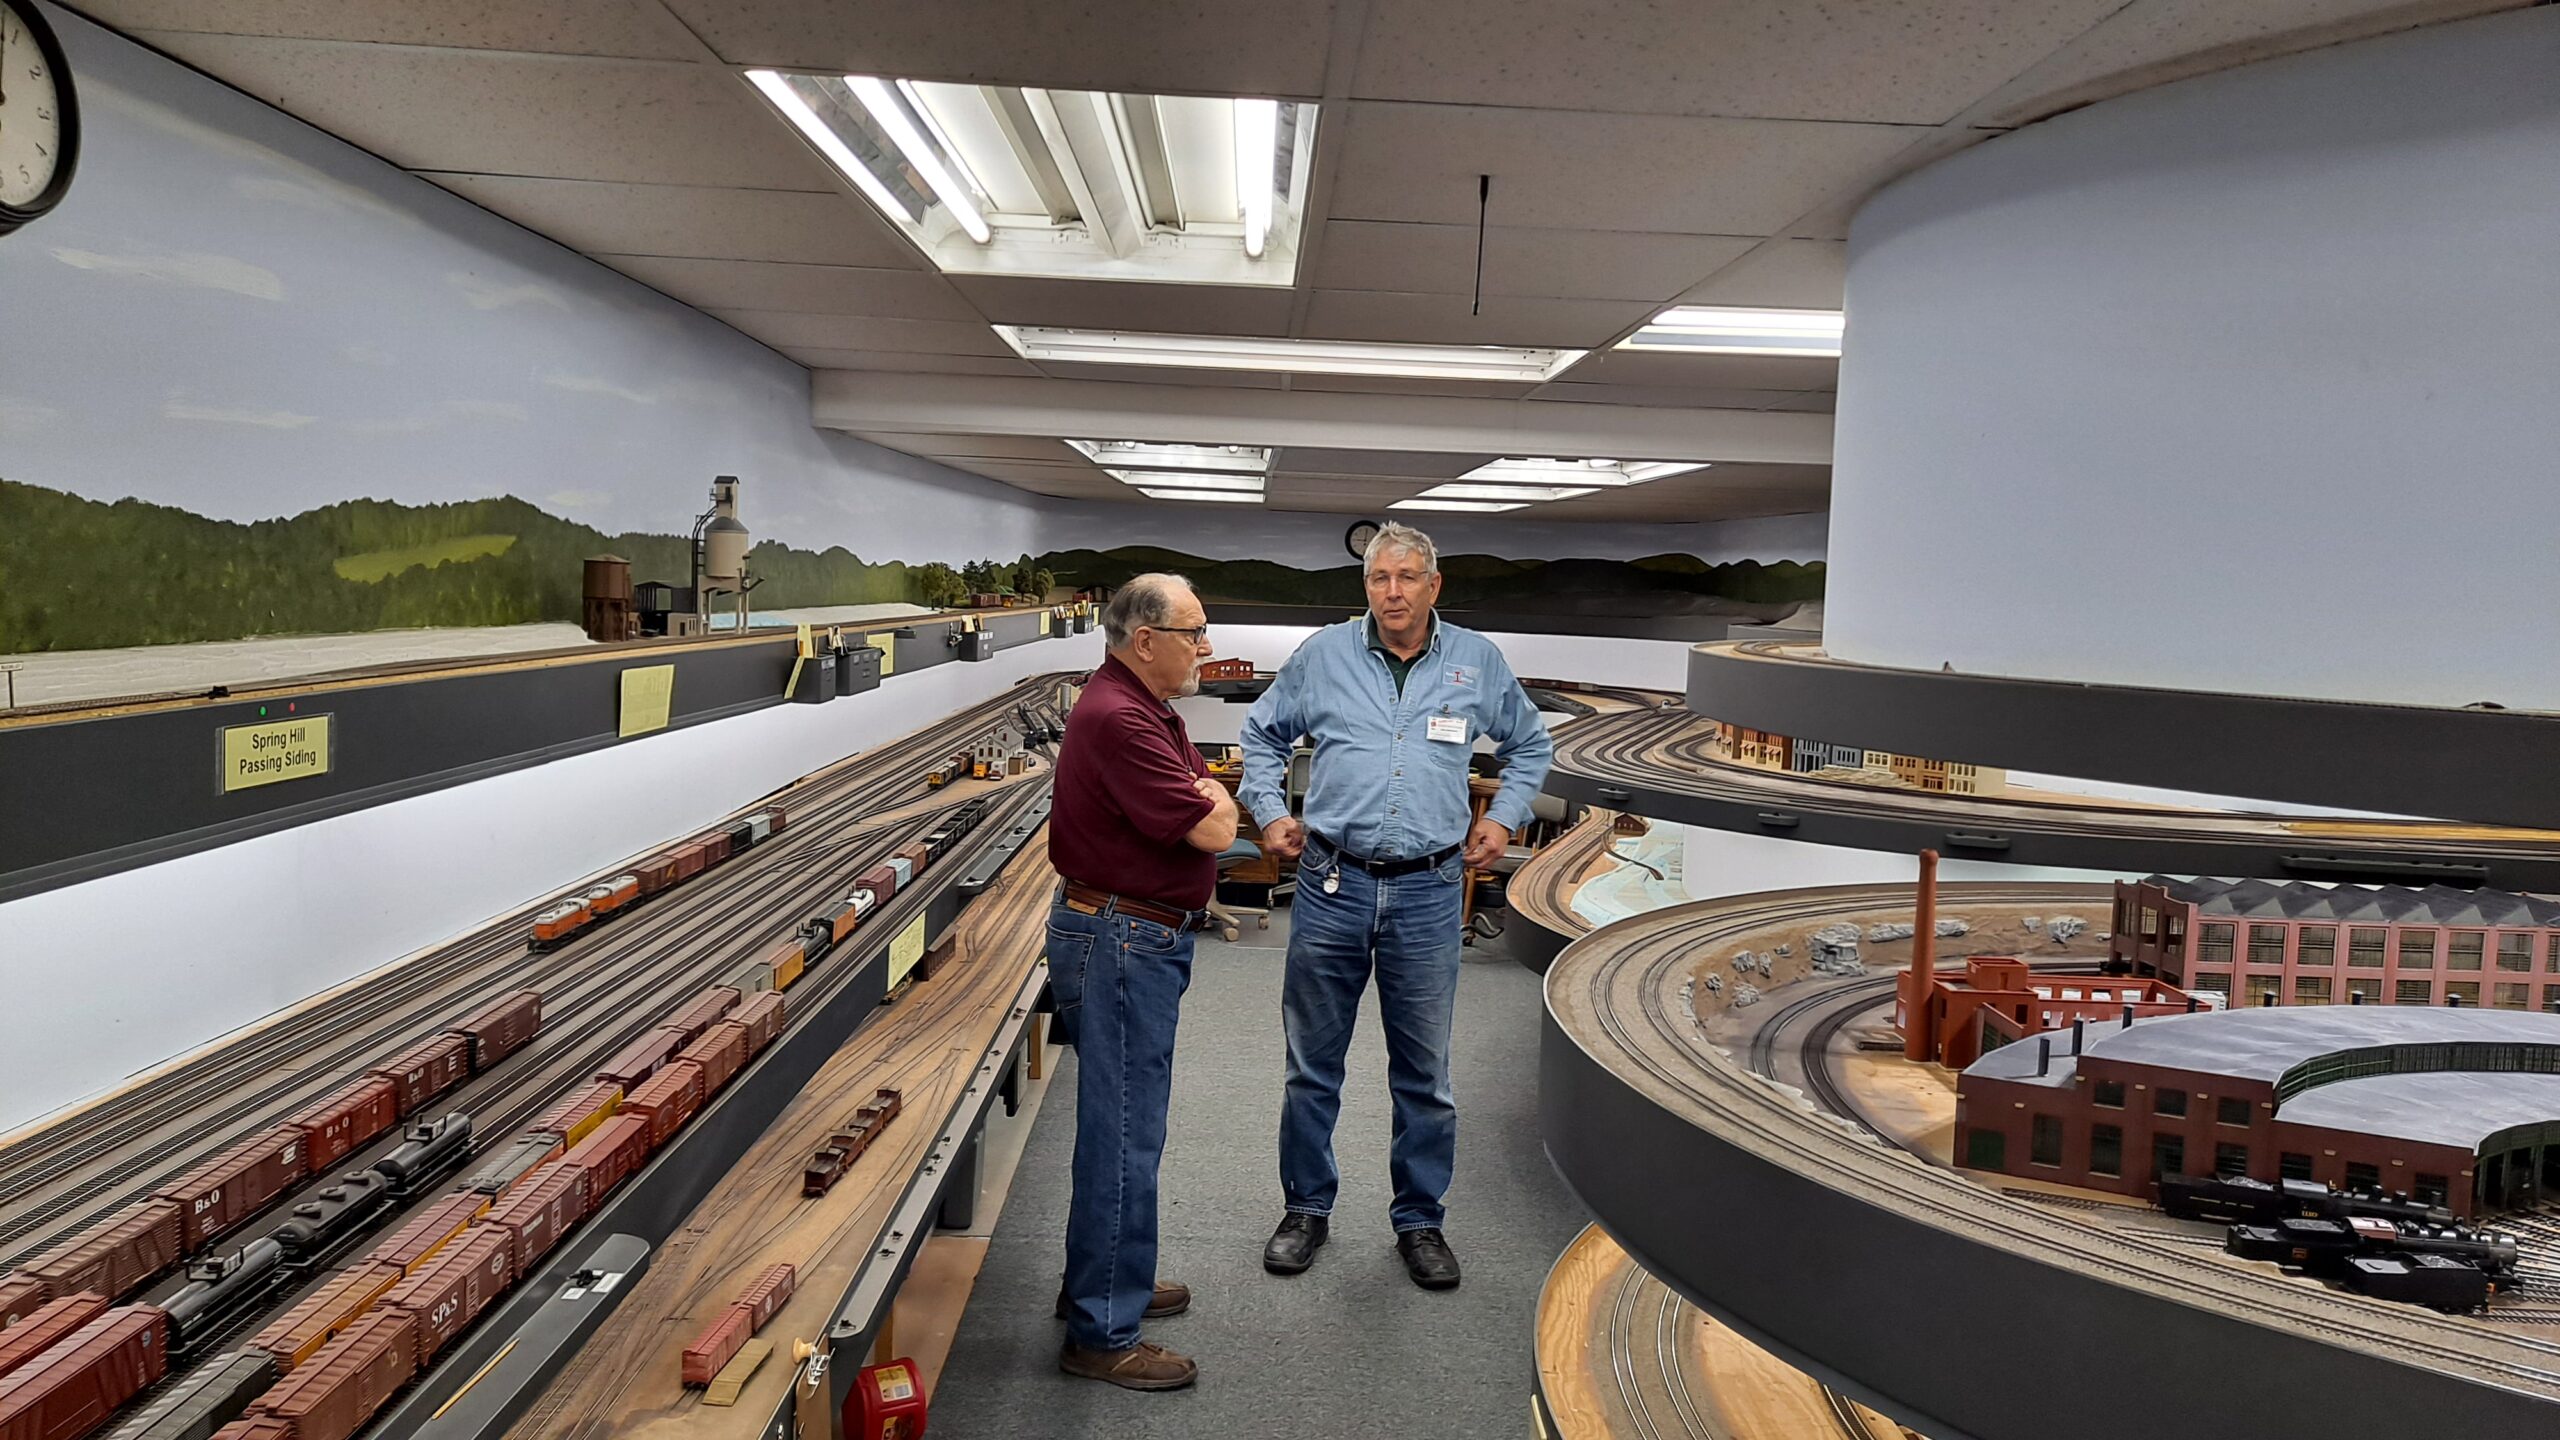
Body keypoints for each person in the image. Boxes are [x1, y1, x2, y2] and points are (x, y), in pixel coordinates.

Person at [1238, 522, 1554, 1290]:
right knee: (1313, 1066)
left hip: (1429, 889)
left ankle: (1420, 1222)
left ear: (1433, 586)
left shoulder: (1476, 661)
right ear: (1367, 586)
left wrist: (1504, 814)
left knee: (1425, 1074)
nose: (1393, 593)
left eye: (1407, 577)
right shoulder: (1324, 655)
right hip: (1331, 886)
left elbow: (1530, 745)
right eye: (1380, 578)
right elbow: (1261, 733)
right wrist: (1267, 808)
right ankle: (1305, 1209)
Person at [1046, 572, 1237, 1389]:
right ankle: (1103, 1332)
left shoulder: (1144, 707)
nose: (1206, 647)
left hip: (1131, 936)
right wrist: (1213, 805)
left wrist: (1211, 799)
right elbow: (1212, 827)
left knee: (1123, 1130)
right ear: (1144, 640)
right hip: (1124, 942)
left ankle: (1105, 1283)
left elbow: (1209, 799)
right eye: (1194, 633)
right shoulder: (1123, 719)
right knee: (1125, 1136)